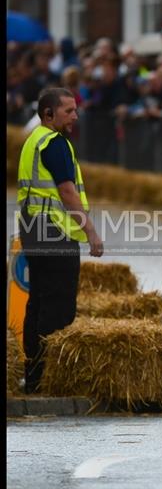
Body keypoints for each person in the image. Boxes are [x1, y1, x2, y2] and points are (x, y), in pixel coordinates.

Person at [17, 87, 104, 394]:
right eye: (68, 111)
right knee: (59, 306)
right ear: (48, 114)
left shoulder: (33, 141)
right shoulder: (55, 143)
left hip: (31, 227)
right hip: (54, 230)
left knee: (38, 301)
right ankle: (51, 380)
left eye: (75, 110)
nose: (75, 116)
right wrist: (91, 232)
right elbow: (68, 193)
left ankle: (34, 377)